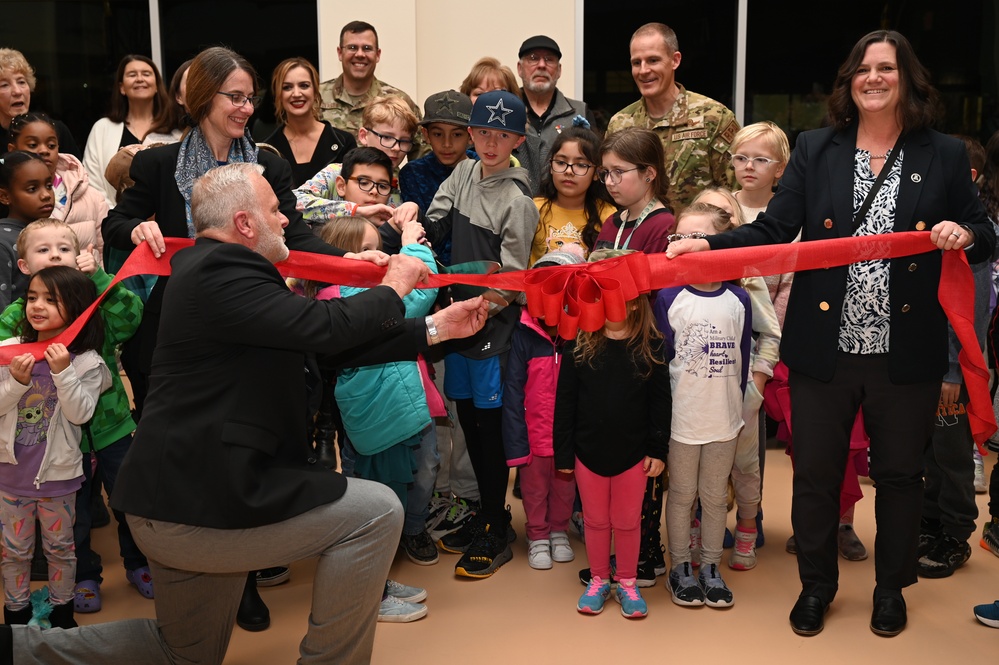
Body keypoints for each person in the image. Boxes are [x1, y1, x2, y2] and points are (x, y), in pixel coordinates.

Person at [0, 161, 489, 663]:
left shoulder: (223, 271)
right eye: (276, 210)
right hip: (196, 503)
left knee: (182, 654)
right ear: (245, 223)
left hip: (180, 498)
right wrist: (396, 284)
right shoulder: (220, 272)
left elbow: (319, 348)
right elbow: (325, 329)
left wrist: (434, 330)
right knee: (377, 512)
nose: (286, 221)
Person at [666, 30, 996, 637]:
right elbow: (772, 231)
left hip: (906, 353)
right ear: (849, 81)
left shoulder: (943, 154)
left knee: (899, 476)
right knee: (815, 476)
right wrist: (705, 246)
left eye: (887, 69)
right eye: (863, 69)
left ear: (907, 80)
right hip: (825, 350)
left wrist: (964, 234)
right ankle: (816, 586)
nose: (873, 78)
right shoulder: (817, 148)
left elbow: (986, 232)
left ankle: (891, 589)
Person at [100, 45, 383, 626]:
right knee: (191, 452)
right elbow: (113, 227)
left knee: (259, 448)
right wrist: (138, 228)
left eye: (251, 97)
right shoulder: (156, 165)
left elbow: (298, 238)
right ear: (200, 97)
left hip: (261, 330)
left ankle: (245, 573)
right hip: (179, 338)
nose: (246, 108)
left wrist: (363, 263)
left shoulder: (267, 166)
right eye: (236, 96)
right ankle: (192, 570)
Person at [0, 218, 145, 614]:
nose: (55, 256)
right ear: (25, 265)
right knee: (74, 516)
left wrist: (97, 277)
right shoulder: (20, 315)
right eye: (43, 250)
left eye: (63, 248)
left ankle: (139, 563)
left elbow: (131, 317)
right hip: (56, 443)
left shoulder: (96, 303)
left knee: (128, 501)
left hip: (112, 427)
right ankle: (84, 576)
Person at [422, 90, 539, 579]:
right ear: (471, 134)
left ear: (517, 138)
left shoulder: (518, 201)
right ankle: (486, 513)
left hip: (490, 329)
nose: (491, 142)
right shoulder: (465, 171)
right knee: (467, 421)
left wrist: (479, 309)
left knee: (490, 433)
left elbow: (513, 279)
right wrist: (411, 230)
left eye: (502, 134)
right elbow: (436, 215)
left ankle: (497, 523)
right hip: (460, 321)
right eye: (483, 132)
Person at [555, 251, 670, 618]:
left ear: (635, 304)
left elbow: (660, 404)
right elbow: (565, 404)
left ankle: (628, 582)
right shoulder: (578, 345)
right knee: (595, 520)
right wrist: (564, 455)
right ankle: (600, 578)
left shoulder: (651, 347)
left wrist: (657, 449)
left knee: (627, 521)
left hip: (633, 455)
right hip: (588, 453)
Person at [0, 265, 111, 629]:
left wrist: (63, 372)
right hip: (11, 478)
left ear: (78, 308)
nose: (37, 306)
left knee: (61, 551)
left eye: (51, 299)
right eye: (32, 297)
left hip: (59, 481)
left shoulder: (87, 362)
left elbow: (80, 414)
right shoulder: (10, 352)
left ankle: (63, 617)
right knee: (14, 554)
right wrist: (16, 382)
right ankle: (16, 618)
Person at [655, 202, 752, 608]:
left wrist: (734, 410)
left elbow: (743, 359)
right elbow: (662, 361)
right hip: (682, 422)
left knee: (714, 496)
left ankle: (710, 567)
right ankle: (680, 568)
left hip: (724, 422)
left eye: (696, 238)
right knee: (681, 495)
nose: (684, 245)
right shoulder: (667, 297)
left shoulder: (739, 299)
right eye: (678, 238)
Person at [916, 134, 995, 579]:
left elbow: (969, 315)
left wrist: (951, 371)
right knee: (927, 449)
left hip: (951, 372)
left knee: (951, 451)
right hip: (919, 368)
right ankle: (929, 522)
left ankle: (956, 531)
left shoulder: (973, 237)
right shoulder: (929, 227)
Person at [690, 187, 780, 571]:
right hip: (694, 395)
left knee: (744, 472)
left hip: (739, 395)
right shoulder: (680, 278)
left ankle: (746, 532)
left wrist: (757, 384)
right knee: (695, 472)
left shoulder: (747, 275)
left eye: (721, 214)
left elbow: (770, 333)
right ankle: (697, 536)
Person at [503, 249, 584, 570]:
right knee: (534, 491)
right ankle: (537, 535)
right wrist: (516, 444)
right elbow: (512, 394)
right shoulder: (523, 336)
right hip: (533, 437)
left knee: (565, 490)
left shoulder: (581, 337)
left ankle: (558, 531)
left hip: (569, 438)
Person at [606, 22, 739, 215]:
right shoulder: (621, 123)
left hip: (698, 240)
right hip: (638, 241)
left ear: (675, 60)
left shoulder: (713, 117)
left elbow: (735, 191)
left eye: (653, 60)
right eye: (637, 62)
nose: (643, 70)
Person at [295, 98, 420, 231]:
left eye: (404, 141)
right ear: (363, 136)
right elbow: (294, 201)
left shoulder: (402, 185)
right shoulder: (336, 172)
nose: (396, 148)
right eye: (387, 137)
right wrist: (354, 211)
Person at [8, 112, 108, 261]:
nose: (44, 150)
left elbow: (104, 254)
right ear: (13, 149)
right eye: (33, 145)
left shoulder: (92, 198)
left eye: (51, 145)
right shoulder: (11, 195)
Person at [318, 20, 423, 161]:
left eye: (367, 48)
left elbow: (422, 158)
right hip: (331, 182)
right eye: (352, 47)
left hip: (385, 181)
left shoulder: (399, 100)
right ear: (340, 53)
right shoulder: (317, 98)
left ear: (378, 54)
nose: (360, 54)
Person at [83, 55, 180, 206]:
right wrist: (116, 219)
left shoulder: (175, 130)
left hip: (166, 222)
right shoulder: (102, 128)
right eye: (132, 75)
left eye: (146, 74)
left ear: (156, 86)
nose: (140, 79)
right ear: (122, 88)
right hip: (115, 220)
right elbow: (92, 182)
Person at [515, 35, 597, 192]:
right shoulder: (506, 110)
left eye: (549, 59)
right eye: (533, 58)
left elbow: (594, 164)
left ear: (559, 70)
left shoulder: (581, 112)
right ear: (520, 68)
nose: (541, 65)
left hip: (564, 210)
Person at [263, 57, 356, 188]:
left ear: (315, 91)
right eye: (287, 87)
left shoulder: (344, 142)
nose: (296, 93)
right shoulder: (268, 150)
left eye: (304, 86)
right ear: (278, 94)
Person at [531, 125, 615, 264]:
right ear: (551, 167)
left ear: (596, 173)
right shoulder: (534, 208)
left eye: (581, 165)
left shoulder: (607, 215)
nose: (568, 171)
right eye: (561, 162)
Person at [592, 127, 674, 255]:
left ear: (649, 173)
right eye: (606, 172)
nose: (608, 182)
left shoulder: (664, 228)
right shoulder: (611, 222)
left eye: (618, 171)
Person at [399, 90, 473, 218]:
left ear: (471, 135)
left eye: (457, 135)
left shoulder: (483, 169)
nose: (447, 144)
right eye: (438, 134)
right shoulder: (413, 174)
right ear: (426, 135)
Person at [0, 49, 79, 159]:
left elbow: (76, 173)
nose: (17, 91)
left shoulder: (57, 130)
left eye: (21, 82)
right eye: (4, 85)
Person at [0, 151, 53, 310]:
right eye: (32, 189)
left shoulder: (55, 233)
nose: (46, 195)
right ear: (4, 196)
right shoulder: (3, 242)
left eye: (49, 186)